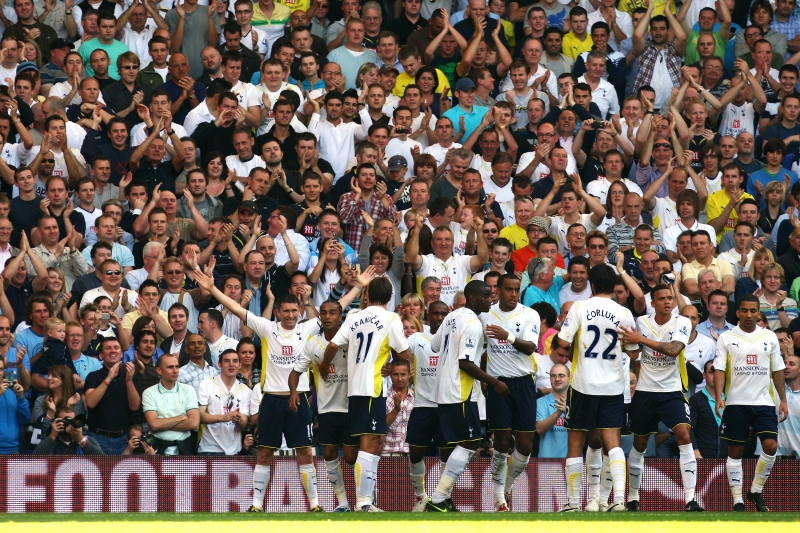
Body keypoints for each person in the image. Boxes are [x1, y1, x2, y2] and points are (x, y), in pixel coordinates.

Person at [195, 269, 322, 510]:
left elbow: (325, 318)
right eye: (286, 311)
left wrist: (309, 301)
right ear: (277, 312)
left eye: (294, 311)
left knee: (305, 452)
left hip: (299, 400)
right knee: (264, 453)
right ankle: (256, 505)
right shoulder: (267, 327)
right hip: (272, 400)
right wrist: (212, 289)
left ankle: (315, 504)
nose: (291, 315)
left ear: (300, 311)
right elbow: (236, 308)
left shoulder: (306, 329)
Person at [318, 276, 410, 512]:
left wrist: (323, 366)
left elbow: (332, 346)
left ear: (367, 295)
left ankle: (366, 500)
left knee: (375, 442)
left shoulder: (354, 317)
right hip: (372, 388)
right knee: (370, 444)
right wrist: (392, 362)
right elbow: (405, 353)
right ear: (390, 297)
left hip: (356, 390)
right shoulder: (391, 319)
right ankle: (363, 502)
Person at [557, 264, 637, 512]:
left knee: (575, 442)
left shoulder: (579, 307)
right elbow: (633, 351)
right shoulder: (624, 312)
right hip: (613, 386)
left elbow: (562, 342)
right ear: (613, 286)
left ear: (591, 284)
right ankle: (619, 499)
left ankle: (573, 503)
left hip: (583, 384)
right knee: (613, 443)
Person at [616, 285, 702, 511]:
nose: (667, 302)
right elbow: (634, 353)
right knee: (640, 443)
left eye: (670, 298)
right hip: (645, 391)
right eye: (662, 299)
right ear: (652, 303)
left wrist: (641, 340)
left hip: (672, 391)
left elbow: (674, 349)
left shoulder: (682, 322)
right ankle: (633, 497)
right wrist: (628, 344)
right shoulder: (641, 322)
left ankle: (690, 499)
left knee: (684, 435)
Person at [424, 280, 509, 512]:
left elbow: (434, 345)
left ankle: (443, 498)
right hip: (459, 391)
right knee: (470, 442)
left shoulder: (452, 316)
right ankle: (439, 497)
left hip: (443, 388)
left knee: (457, 443)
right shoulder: (472, 324)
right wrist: (494, 382)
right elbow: (465, 363)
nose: (490, 299)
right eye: (485, 296)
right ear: (472, 297)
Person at [714, 295, 788, 512]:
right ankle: (737, 500)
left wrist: (783, 399)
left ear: (758, 313)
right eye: (744, 310)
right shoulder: (726, 337)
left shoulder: (769, 337)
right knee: (735, 451)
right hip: (736, 402)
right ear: (737, 313)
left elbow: (777, 369)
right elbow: (719, 369)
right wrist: (719, 397)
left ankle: (755, 490)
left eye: (753, 311)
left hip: (764, 402)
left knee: (771, 446)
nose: (748, 315)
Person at [291, 299, 364, 512]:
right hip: (326, 408)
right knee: (330, 454)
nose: (327, 316)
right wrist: (294, 391)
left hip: (351, 406)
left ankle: (364, 498)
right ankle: (342, 503)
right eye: (323, 313)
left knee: (350, 457)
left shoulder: (350, 340)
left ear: (340, 316)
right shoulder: (313, 343)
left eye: (332, 312)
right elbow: (295, 372)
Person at [481, 274, 540, 512]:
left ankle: (507, 485)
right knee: (502, 441)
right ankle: (498, 499)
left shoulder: (529, 315)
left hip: (524, 383)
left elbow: (530, 347)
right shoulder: (486, 315)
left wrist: (508, 336)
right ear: (499, 290)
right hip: (499, 384)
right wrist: (486, 381)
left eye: (516, 290)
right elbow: (481, 351)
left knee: (525, 446)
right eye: (509, 290)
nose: (513, 294)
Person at [404, 300, 449, 511]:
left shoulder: (453, 339)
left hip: (446, 405)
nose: (439, 318)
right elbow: (401, 354)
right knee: (415, 453)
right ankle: (420, 496)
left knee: (446, 455)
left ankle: (442, 497)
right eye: (435, 314)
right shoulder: (417, 338)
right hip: (422, 405)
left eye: (443, 314)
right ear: (427, 316)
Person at [84, 337, 141, 454]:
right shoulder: (93, 376)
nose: (113, 350)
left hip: (123, 439)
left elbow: (135, 406)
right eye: (108, 348)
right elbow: (90, 402)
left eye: (116, 348)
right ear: (101, 354)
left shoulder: (131, 376)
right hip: (97, 438)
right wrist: (108, 378)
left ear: (121, 353)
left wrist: (129, 381)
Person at [142, 353, 200, 455]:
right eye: (170, 367)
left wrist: (161, 424)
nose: (175, 370)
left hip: (184, 448)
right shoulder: (149, 392)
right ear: (159, 370)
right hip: (158, 449)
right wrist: (181, 418)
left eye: (177, 366)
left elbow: (194, 424)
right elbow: (154, 425)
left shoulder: (188, 390)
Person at [197, 349, 251, 455]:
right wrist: (223, 417)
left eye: (235, 361)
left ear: (240, 364)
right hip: (209, 448)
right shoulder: (206, 384)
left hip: (235, 451)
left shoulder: (247, 391)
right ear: (219, 364)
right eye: (226, 361)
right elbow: (200, 416)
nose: (231, 364)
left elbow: (243, 425)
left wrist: (238, 419)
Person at [32, 405, 104, 455]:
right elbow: (34, 461)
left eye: (71, 421)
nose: (69, 425)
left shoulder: (88, 440)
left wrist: (81, 440)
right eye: (65, 421)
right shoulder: (49, 442)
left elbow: (103, 462)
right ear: (56, 422)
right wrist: (52, 437)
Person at [536, 363, 570, 458]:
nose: (557, 379)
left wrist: (567, 412)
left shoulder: (577, 402)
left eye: (561, 375)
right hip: (547, 461)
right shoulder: (541, 402)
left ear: (569, 378)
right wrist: (558, 412)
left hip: (572, 461)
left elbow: (584, 429)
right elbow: (539, 429)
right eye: (553, 376)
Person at [0, 357, 28, 455]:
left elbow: (25, 419)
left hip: (13, 448)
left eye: (1, 369)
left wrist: (21, 398)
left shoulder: (11, 391)